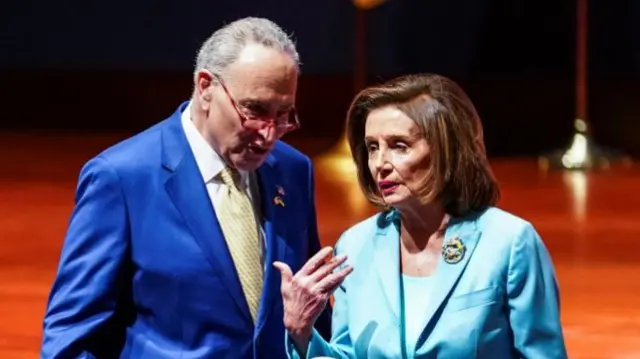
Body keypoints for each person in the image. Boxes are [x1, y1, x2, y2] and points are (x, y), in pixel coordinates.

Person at [41, 17, 331, 359]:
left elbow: (312, 309)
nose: (269, 134)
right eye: (254, 110)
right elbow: (71, 334)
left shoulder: (293, 171)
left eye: (284, 115)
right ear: (206, 87)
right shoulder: (121, 178)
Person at [275, 73, 568, 358]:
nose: (380, 164)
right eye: (372, 148)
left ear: (448, 150)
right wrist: (302, 333)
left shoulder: (510, 242)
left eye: (399, 146)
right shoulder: (355, 245)